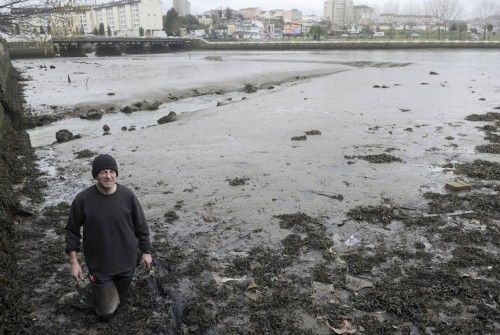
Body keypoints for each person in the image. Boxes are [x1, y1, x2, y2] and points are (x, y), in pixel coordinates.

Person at [65, 154, 152, 320]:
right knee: (105, 314)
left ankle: (101, 294)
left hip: (127, 263)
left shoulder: (128, 196)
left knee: (121, 302)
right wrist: (74, 263)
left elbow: (141, 226)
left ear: (117, 174)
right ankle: (88, 295)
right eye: (103, 172)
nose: (108, 176)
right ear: (96, 175)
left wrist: (146, 252)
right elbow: (72, 231)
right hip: (100, 266)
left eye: (112, 171)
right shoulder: (83, 199)